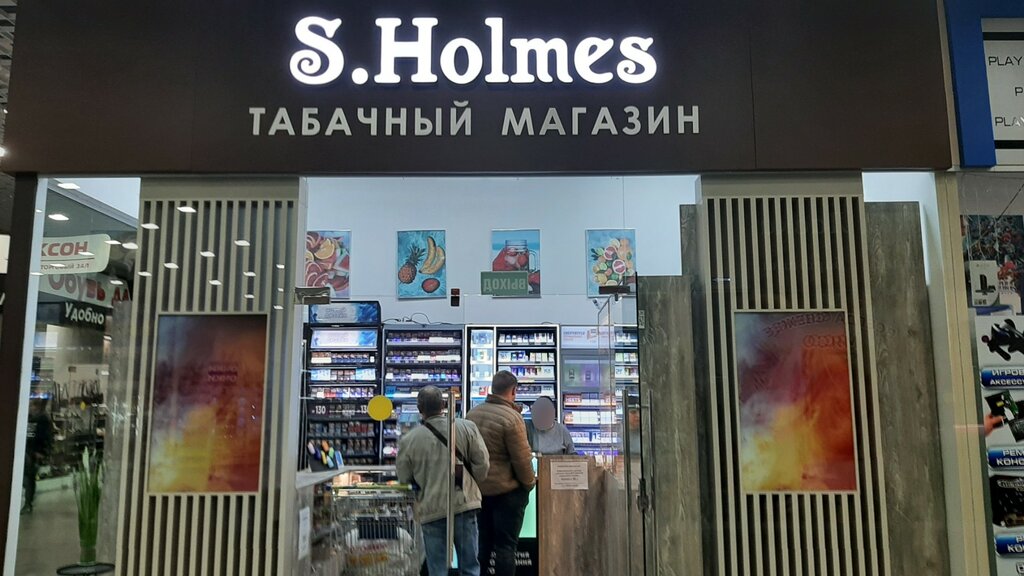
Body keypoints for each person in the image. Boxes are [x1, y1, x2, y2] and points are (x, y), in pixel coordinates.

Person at [397, 386, 490, 576]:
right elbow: (482, 464)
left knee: (437, 569)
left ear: (419, 408)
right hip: (463, 503)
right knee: (469, 566)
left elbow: (404, 479)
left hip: (431, 508)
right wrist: (471, 483)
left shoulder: (409, 439)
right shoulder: (466, 427)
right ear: (444, 404)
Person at [466, 371, 537, 576]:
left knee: (482, 546)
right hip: (507, 494)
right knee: (505, 547)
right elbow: (521, 459)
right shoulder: (512, 418)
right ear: (513, 390)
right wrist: (529, 484)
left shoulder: (472, 415)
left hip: (479, 492)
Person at [22, 397, 52, 514]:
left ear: (36, 407)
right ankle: (28, 502)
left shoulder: (38, 419)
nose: (30, 408)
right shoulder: (39, 418)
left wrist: (40, 451)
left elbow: (36, 437)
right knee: (30, 478)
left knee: (29, 478)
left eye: (31, 406)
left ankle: (28, 503)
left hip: (32, 452)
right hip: (33, 451)